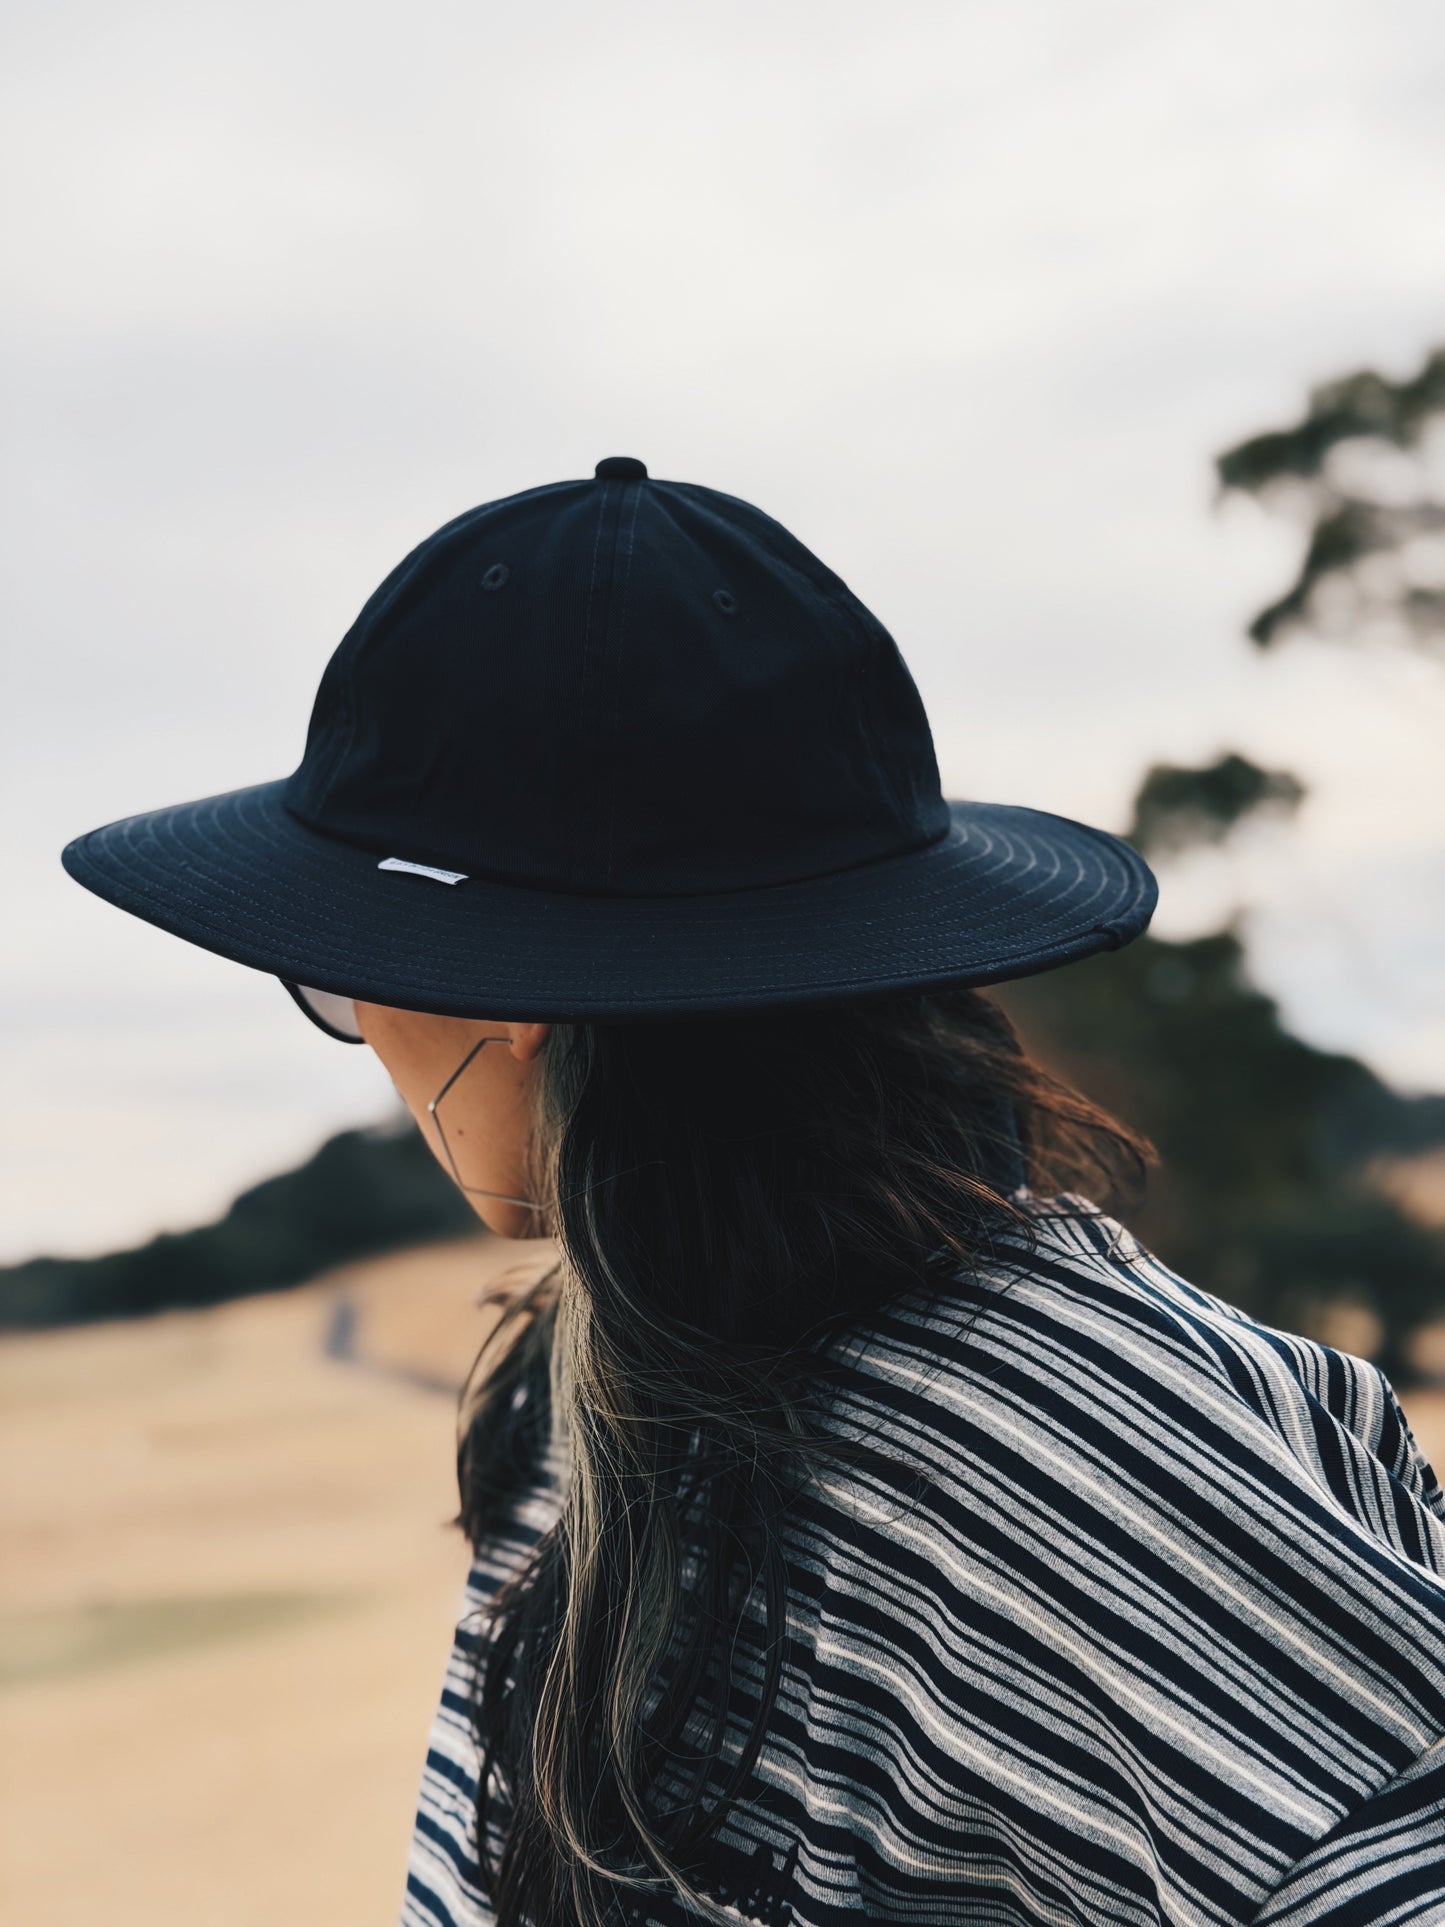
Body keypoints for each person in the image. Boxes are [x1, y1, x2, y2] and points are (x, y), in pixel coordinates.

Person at [61, 457, 1445, 1927]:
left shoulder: (1070, 1443)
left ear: (507, 995)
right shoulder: (584, 1377)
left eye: (340, 974)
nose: (365, 1039)